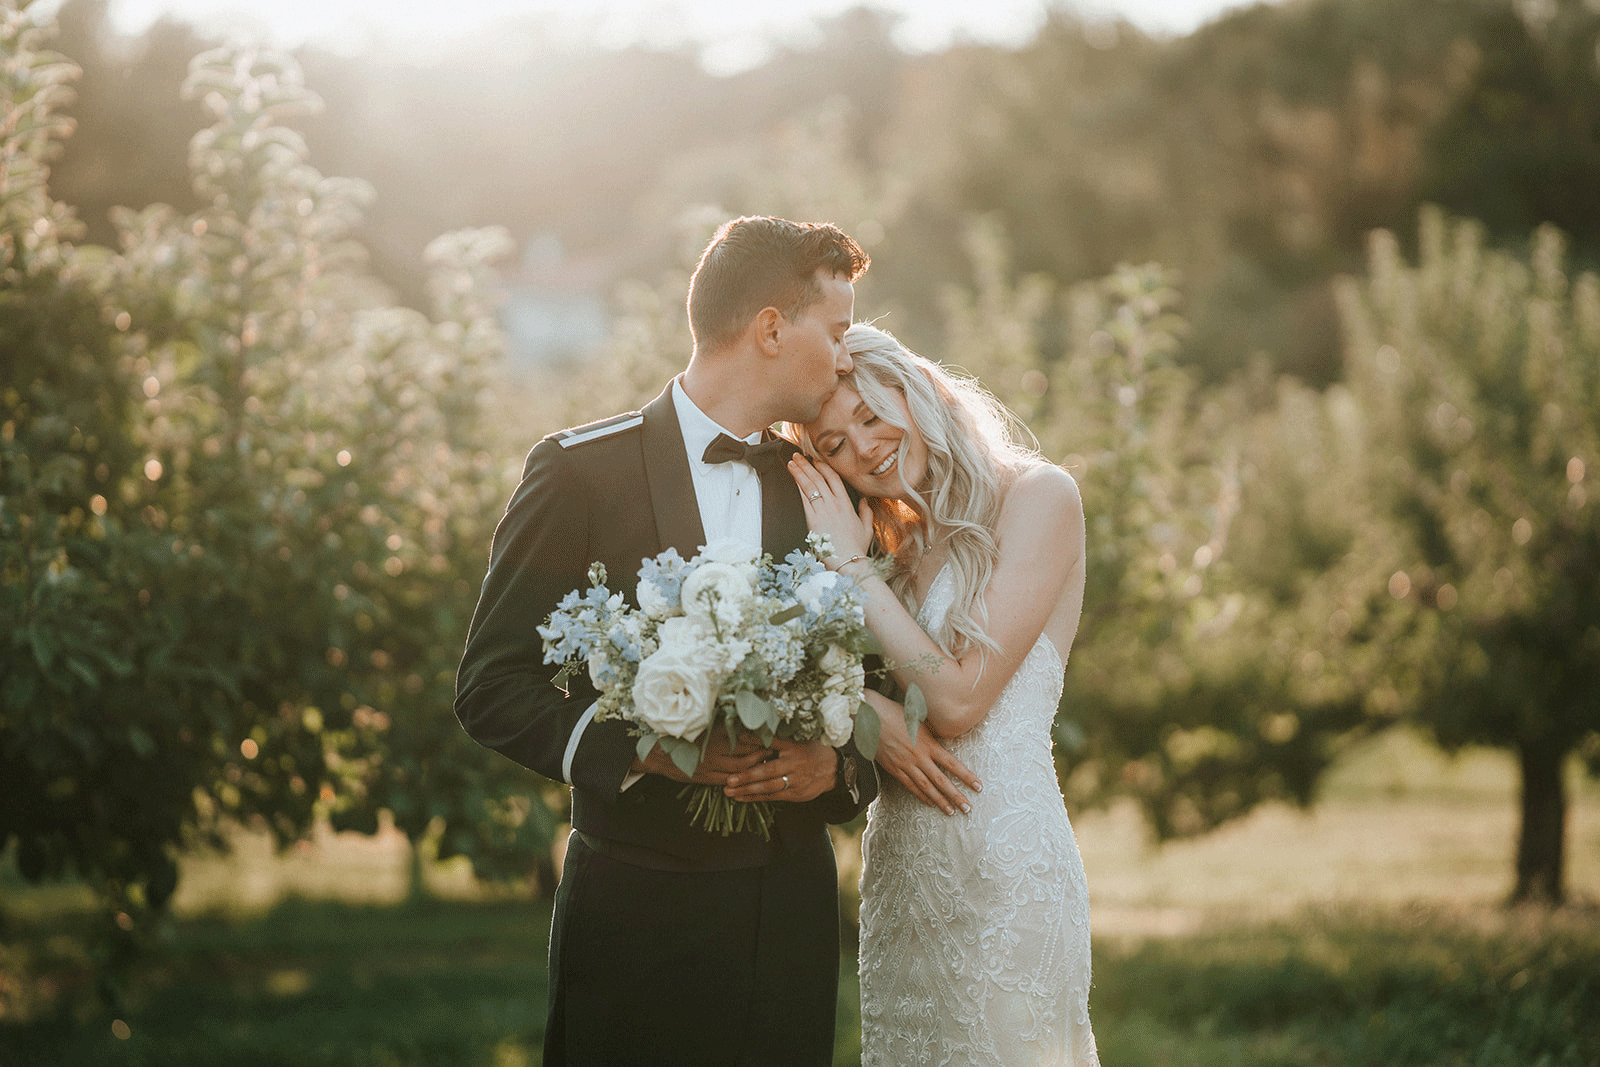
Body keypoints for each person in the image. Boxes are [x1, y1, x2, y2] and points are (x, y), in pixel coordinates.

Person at [454, 216, 879, 1067]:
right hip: (631, 907)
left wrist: (842, 769)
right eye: (835, 333)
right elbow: (492, 683)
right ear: (769, 328)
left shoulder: (834, 494)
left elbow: (887, 683)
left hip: (787, 912)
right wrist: (649, 751)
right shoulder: (577, 470)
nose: (846, 358)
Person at [780, 322, 1100, 1066]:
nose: (862, 445)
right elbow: (833, 682)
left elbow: (957, 702)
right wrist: (861, 704)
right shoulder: (891, 543)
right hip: (903, 885)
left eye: (868, 413)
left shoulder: (1040, 496)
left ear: (919, 386)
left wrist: (851, 569)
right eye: (832, 446)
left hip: (1008, 873)